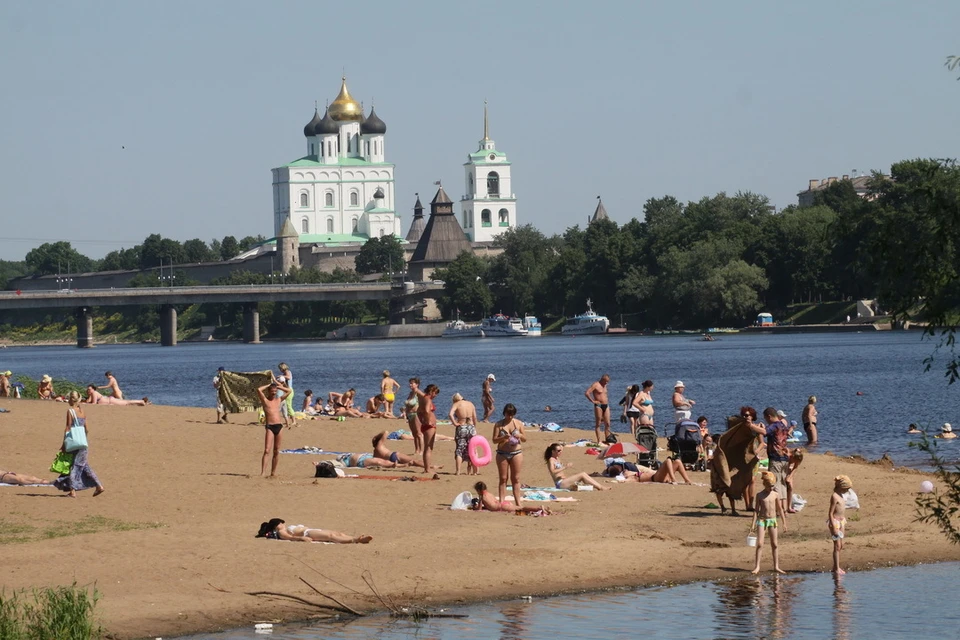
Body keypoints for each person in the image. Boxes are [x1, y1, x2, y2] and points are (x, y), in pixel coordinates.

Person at [53, 391, 105, 497]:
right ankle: (99, 485)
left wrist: (64, 443)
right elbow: (86, 428)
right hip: (83, 442)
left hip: (74, 442)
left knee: (73, 465)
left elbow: (68, 427)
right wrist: (84, 438)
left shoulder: (70, 411)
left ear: (72, 399)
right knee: (84, 465)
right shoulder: (82, 411)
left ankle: (72, 491)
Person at [751, 407, 790, 516]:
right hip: (785, 459)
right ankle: (784, 510)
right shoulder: (782, 424)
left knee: (775, 483)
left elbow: (764, 432)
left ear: (769, 416)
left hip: (776, 458)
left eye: (766, 418)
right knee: (782, 484)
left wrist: (751, 426)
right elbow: (769, 431)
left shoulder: (775, 425)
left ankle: (777, 510)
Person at [750, 471, 787, 574]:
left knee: (774, 544)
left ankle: (776, 566)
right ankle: (757, 566)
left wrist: (784, 522)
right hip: (762, 519)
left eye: (772, 486)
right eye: (769, 486)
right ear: (765, 484)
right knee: (760, 543)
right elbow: (756, 510)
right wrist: (753, 524)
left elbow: (780, 509)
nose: (771, 488)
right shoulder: (760, 495)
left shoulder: (775, 494)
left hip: (773, 520)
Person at [493, 403, 526, 508]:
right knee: (503, 478)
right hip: (502, 453)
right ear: (504, 413)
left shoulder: (519, 423)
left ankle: (518, 502)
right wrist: (503, 438)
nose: (510, 416)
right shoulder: (499, 424)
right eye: (508, 414)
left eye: (512, 414)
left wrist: (519, 435)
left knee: (516, 478)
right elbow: (494, 440)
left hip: (516, 453)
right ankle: (502, 501)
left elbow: (525, 439)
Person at [256, 380, 290, 478]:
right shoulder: (265, 400)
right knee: (267, 450)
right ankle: (263, 472)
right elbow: (259, 389)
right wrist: (268, 385)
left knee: (276, 450)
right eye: (272, 391)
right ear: (269, 391)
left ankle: (273, 472)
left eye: (275, 391)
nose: (274, 393)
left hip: (279, 426)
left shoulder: (278, 399)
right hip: (270, 427)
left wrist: (278, 387)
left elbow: (289, 391)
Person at [544, 443, 609, 490]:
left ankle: (598, 486)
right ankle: (600, 487)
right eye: (558, 451)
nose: (560, 452)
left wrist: (554, 446)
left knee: (583, 477)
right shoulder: (551, 460)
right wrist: (565, 467)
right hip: (560, 483)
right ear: (553, 451)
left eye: (560, 450)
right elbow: (552, 471)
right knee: (582, 474)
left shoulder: (557, 458)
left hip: (565, 480)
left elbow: (560, 448)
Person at [256, 518, 372, 544]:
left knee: (338, 533)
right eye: (281, 523)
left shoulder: (284, 529)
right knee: (331, 536)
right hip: (308, 533)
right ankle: (356, 540)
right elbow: (290, 538)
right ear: (277, 525)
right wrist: (301, 538)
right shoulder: (281, 532)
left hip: (311, 530)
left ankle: (356, 537)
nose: (283, 524)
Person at [472, 481, 551, 514]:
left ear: (479, 490)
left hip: (502, 507)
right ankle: (540, 509)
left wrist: (475, 507)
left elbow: (479, 509)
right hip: (503, 504)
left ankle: (539, 508)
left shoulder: (482, 496)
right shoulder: (490, 494)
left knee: (521, 508)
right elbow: (490, 504)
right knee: (521, 509)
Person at [371, 431, 439, 469]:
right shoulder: (379, 445)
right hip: (394, 455)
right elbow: (386, 432)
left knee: (413, 463)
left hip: (391, 460)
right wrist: (377, 436)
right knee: (414, 461)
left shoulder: (375, 453)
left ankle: (429, 465)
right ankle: (431, 466)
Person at [450, 393, 479, 476]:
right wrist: (474, 427)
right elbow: (475, 417)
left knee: (459, 449)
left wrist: (455, 423)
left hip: (462, 426)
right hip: (471, 427)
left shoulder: (456, 404)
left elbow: (450, 414)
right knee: (472, 449)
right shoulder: (471, 404)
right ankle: (474, 471)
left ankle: (458, 471)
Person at [829, 475, 852, 574]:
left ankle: (835, 567)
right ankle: (837, 568)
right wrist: (833, 526)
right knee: (837, 546)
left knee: (841, 545)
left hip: (842, 522)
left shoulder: (842, 496)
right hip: (835, 522)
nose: (847, 491)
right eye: (846, 489)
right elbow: (830, 513)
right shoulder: (834, 496)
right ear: (840, 487)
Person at [415, 383, 440, 475]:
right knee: (428, 448)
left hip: (426, 425)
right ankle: (427, 469)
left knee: (428, 447)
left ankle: (427, 468)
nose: (436, 395)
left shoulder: (423, 398)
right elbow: (426, 410)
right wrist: (428, 420)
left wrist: (422, 420)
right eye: (435, 393)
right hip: (429, 426)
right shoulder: (427, 399)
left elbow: (418, 411)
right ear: (431, 391)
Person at [604, 459, 692, 483]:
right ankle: (673, 479)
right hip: (656, 478)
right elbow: (623, 481)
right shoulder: (631, 477)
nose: (625, 470)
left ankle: (687, 480)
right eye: (624, 471)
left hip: (661, 475)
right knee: (668, 461)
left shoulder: (631, 472)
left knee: (677, 461)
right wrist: (613, 481)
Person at [584, 374, 612, 444]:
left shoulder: (605, 385)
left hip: (606, 405)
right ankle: (599, 440)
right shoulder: (596, 385)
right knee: (598, 423)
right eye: (605, 381)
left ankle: (607, 439)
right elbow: (587, 393)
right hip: (598, 405)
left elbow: (604, 394)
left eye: (607, 382)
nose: (606, 383)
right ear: (602, 379)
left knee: (608, 423)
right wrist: (592, 401)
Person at [404, 378, 423, 455]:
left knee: (419, 433)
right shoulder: (410, 393)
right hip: (409, 415)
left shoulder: (418, 393)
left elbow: (425, 400)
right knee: (414, 434)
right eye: (410, 383)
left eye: (412, 383)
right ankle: (417, 450)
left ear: (417, 384)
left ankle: (421, 451)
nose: (410, 385)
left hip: (416, 414)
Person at [84, 385, 149, 406]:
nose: (88, 390)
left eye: (89, 389)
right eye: (88, 389)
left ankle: (141, 401)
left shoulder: (94, 393)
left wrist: (85, 404)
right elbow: (91, 402)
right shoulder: (92, 394)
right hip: (110, 401)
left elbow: (94, 403)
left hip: (111, 401)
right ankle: (140, 402)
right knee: (126, 403)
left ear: (93, 389)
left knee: (127, 402)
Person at [785, 448, 804, 513]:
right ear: (792, 456)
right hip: (784, 468)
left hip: (789, 470)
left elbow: (795, 468)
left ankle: (789, 507)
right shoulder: (787, 455)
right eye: (794, 461)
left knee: (790, 487)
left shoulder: (798, 458)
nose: (795, 462)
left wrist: (790, 477)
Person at [333, 451, 402, 469]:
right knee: (379, 462)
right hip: (356, 460)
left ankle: (400, 465)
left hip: (359, 460)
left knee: (379, 462)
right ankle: (401, 465)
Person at [277, 363, 295, 428]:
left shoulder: (287, 372)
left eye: (280, 368)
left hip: (289, 390)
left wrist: (282, 376)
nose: (280, 370)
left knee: (288, 405)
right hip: (287, 390)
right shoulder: (285, 373)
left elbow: (289, 377)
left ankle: (294, 421)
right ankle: (289, 420)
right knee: (286, 405)